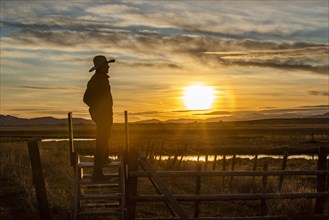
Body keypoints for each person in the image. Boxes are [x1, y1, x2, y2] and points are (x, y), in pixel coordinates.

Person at [83, 55, 115, 181]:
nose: (108, 67)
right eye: (107, 65)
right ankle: (97, 173)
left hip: (103, 114)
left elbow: (88, 99)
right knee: (101, 140)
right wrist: (99, 109)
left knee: (104, 138)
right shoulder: (99, 80)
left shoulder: (98, 79)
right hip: (103, 115)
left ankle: (103, 160)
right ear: (102, 67)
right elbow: (87, 99)